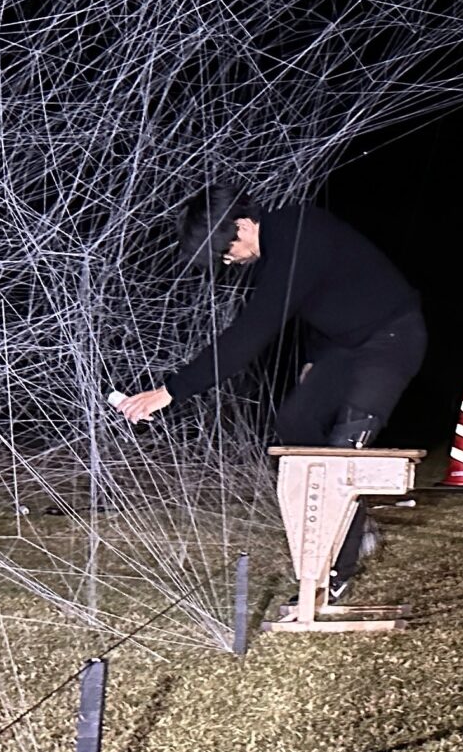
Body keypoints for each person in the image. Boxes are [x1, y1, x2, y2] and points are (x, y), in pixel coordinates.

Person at [116, 184, 427, 597]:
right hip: (345, 346)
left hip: (392, 337)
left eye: (225, 251)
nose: (227, 261)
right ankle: (355, 520)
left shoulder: (299, 235)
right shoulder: (283, 247)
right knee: (294, 421)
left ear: (242, 225)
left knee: (344, 447)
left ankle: (337, 572)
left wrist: (171, 391)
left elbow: (251, 333)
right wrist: (315, 360)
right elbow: (326, 297)